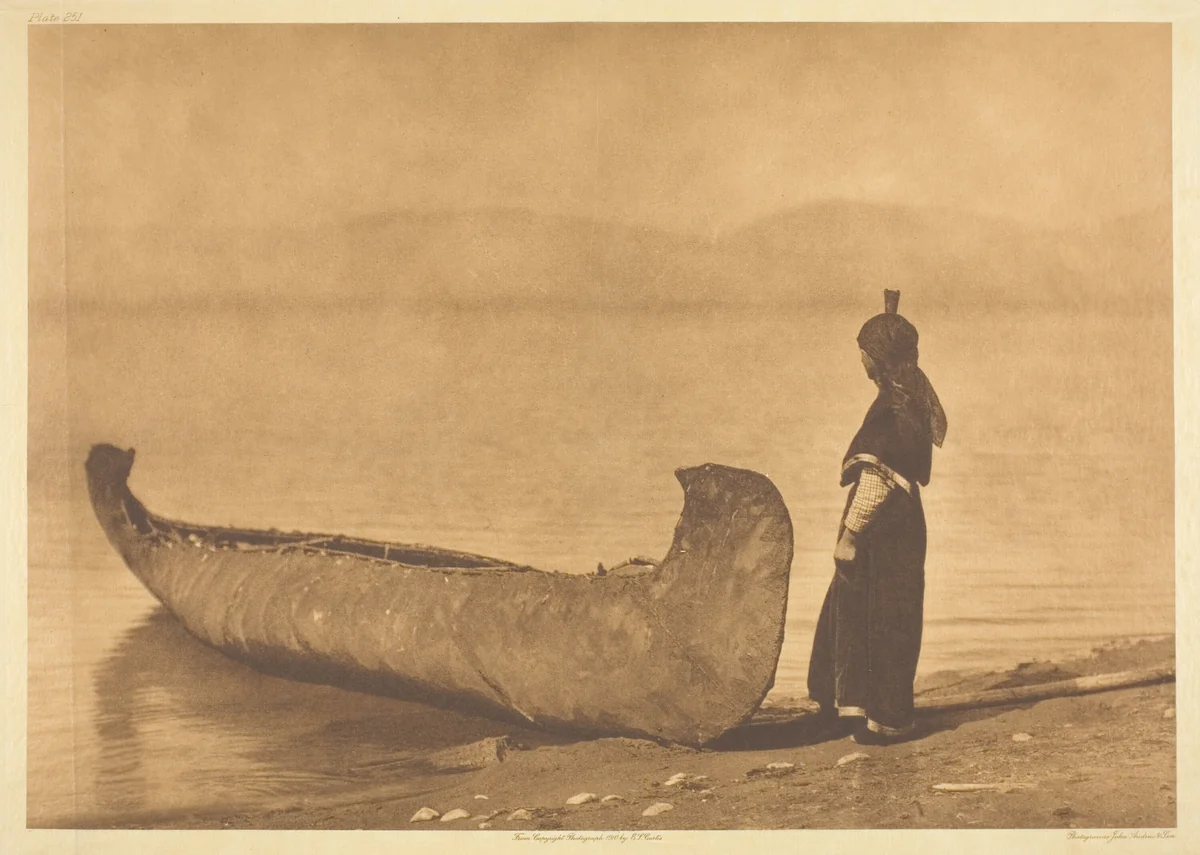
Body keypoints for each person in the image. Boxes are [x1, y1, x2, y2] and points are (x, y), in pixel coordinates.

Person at [807, 289, 947, 745]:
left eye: (864, 352)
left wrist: (849, 535)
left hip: (882, 526)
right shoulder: (912, 396)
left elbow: (877, 479)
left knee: (879, 615)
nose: (860, 359)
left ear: (877, 359)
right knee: (886, 614)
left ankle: (879, 721)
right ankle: (866, 712)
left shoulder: (893, 409)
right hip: (902, 527)